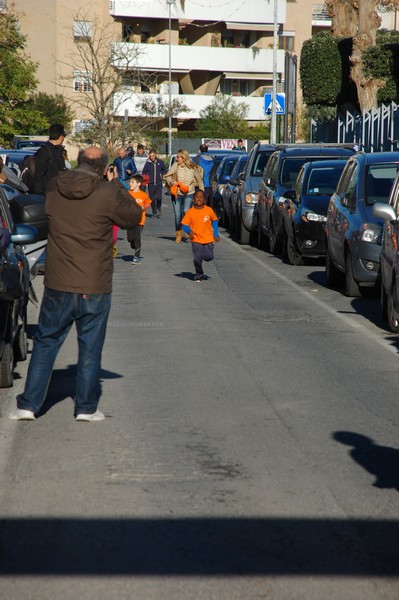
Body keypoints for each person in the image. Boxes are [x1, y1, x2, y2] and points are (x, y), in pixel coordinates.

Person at [9, 146, 142, 422]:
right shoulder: (108, 191)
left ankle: (29, 405)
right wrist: (115, 182)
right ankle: (86, 408)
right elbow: (132, 217)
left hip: (58, 280)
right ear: (104, 168)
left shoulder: (57, 186)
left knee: (46, 342)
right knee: (90, 348)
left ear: (77, 161)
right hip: (94, 283)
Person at [164, 149, 204, 243]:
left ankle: (187, 229)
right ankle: (178, 234)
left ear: (183, 157)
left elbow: (199, 181)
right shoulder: (175, 166)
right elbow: (168, 175)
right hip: (177, 193)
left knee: (186, 211)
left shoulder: (193, 168)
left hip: (189, 193)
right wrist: (171, 182)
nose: (176, 159)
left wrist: (202, 193)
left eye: (178, 157)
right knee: (178, 215)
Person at [181, 189, 220, 282]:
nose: (199, 199)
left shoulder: (209, 210)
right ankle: (199, 274)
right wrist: (189, 231)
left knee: (209, 257)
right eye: (197, 197)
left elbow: (214, 220)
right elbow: (184, 224)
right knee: (197, 259)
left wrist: (216, 233)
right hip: (196, 239)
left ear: (205, 200)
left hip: (208, 238)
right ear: (193, 200)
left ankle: (203, 255)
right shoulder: (190, 212)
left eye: (201, 197)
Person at [33, 123, 67, 195]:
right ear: (61, 137)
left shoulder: (58, 150)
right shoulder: (45, 151)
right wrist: (40, 194)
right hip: (48, 193)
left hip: (57, 191)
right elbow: (38, 174)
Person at [127, 174, 151, 265]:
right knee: (130, 238)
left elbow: (148, 203)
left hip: (140, 221)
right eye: (130, 182)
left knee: (137, 238)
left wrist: (143, 208)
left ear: (138, 184)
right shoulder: (128, 194)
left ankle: (137, 256)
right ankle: (132, 244)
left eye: (132, 182)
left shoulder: (143, 195)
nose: (130, 183)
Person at [142, 149, 166, 218]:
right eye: (150, 156)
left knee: (159, 197)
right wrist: (146, 178)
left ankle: (159, 208)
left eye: (153, 156)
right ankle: (154, 212)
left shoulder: (160, 162)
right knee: (152, 199)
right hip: (151, 184)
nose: (152, 157)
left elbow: (164, 170)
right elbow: (144, 172)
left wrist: (163, 174)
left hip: (158, 183)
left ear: (155, 155)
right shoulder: (147, 163)